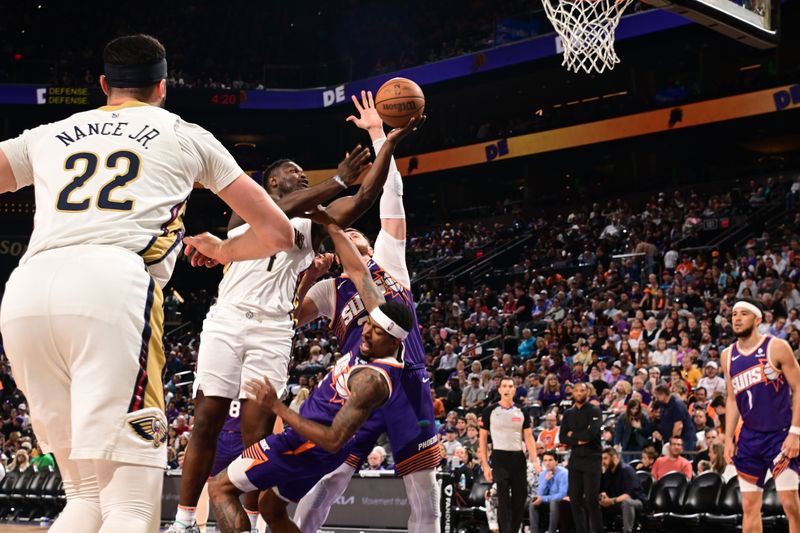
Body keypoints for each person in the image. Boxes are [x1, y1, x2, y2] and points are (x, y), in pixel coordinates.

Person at [0, 34, 295, 533]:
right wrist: (222, 250)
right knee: (130, 507)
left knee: (85, 498)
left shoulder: (49, 133)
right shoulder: (184, 135)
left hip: (27, 292)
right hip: (109, 286)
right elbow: (278, 232)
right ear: (162, 87)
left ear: (102, 85)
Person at [168, 91, 395, 533]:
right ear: (273, 183)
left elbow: (365, 198)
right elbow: (278, 213)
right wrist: (337, 180)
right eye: (293, 173)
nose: (300, 176)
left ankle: (250, 518)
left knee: (258, 433)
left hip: (273, 329)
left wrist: (389, 139)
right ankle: (183, 522)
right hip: (228, 319)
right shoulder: (242, 213)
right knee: (206, 420)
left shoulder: (312, 224)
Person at [207, 213, 415, 533]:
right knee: (271, 509)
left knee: (220, 488)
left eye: (374, 332)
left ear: (391, 338)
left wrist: (277, 407)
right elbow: (354, 277)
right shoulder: (378, 322)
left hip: (307, 442)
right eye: (368, 327)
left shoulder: (372, 378)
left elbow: (332, 440)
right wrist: (330, 226)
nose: (366, 334)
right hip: (318, 447)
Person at [292, 94, 440, 533]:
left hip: (408, 381)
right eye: (347, 230)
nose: (355, 229)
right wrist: (305, 275)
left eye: (360, 228)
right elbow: (284, 318)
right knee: (327, 485)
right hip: (356, 387)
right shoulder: (328, 289)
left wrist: (380, 135)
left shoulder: (390, 259)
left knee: (425, 500)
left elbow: (391, 196)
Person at [723, 297, 800, 533]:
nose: (737, 318)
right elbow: (732, 398)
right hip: (749, 437)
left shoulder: (776, 347)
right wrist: (728, 438)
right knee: (748, 506)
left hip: (780, 435)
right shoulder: (727, 355)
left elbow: (798, 388)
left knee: (789, 502)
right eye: (734, 314)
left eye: (743, 314)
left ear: (757, 319)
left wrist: (795, 432)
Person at [479, 376, 542, 533]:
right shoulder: (490, 411)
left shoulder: (522, 411)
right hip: (499, 458)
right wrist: (485, 465)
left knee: (519, 500)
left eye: (510, 386)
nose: (507, 389)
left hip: (518, 458)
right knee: (503, 498)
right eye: (504, 386)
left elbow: (528, 437)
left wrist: (535, 461)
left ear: (514, 389)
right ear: (499, 389)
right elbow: (482, 439)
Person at [559, 381, 603, 533]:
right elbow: (562, 437)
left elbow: (591, 434)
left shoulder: (595, 411)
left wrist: (573, 435)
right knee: (575, 499)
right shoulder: (568, 413)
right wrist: (578, 439)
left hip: (593, 458)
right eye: (576, 390)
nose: (579, 393)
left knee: (591, 500)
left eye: (582, 390)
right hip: (576, 458)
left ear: (587, 393)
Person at [599, 447, 646, 533]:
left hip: (636, 501)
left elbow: (628, 495)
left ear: (614, 457)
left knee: (627, 502)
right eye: (602, 459)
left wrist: (611, 501)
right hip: (617, 502)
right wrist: (603, 496)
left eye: (605, 458)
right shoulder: (608, 472)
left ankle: (627, 531)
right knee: (595, 503)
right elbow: (604, 491)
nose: (603, 462)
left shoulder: (626, 470)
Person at [530, 450, 568, 533]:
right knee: (533, 502)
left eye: (550, 460)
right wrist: (546, 480)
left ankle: (552, 531)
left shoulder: (564, 473)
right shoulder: (543, 474)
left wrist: (543, 498)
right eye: (545, 460)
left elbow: (562, 494)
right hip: (549, 501)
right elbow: (539, 494)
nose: (547, 463)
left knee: (554, 502)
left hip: (562, 502)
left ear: (556, 462)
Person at [653, 384, 697, 451]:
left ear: (663, 394)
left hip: (684, 442)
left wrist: (673, 443)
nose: (656, 398)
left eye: (657, 395)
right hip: (671, 441)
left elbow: (678, 426)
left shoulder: (677, 404)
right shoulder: (663, 404)